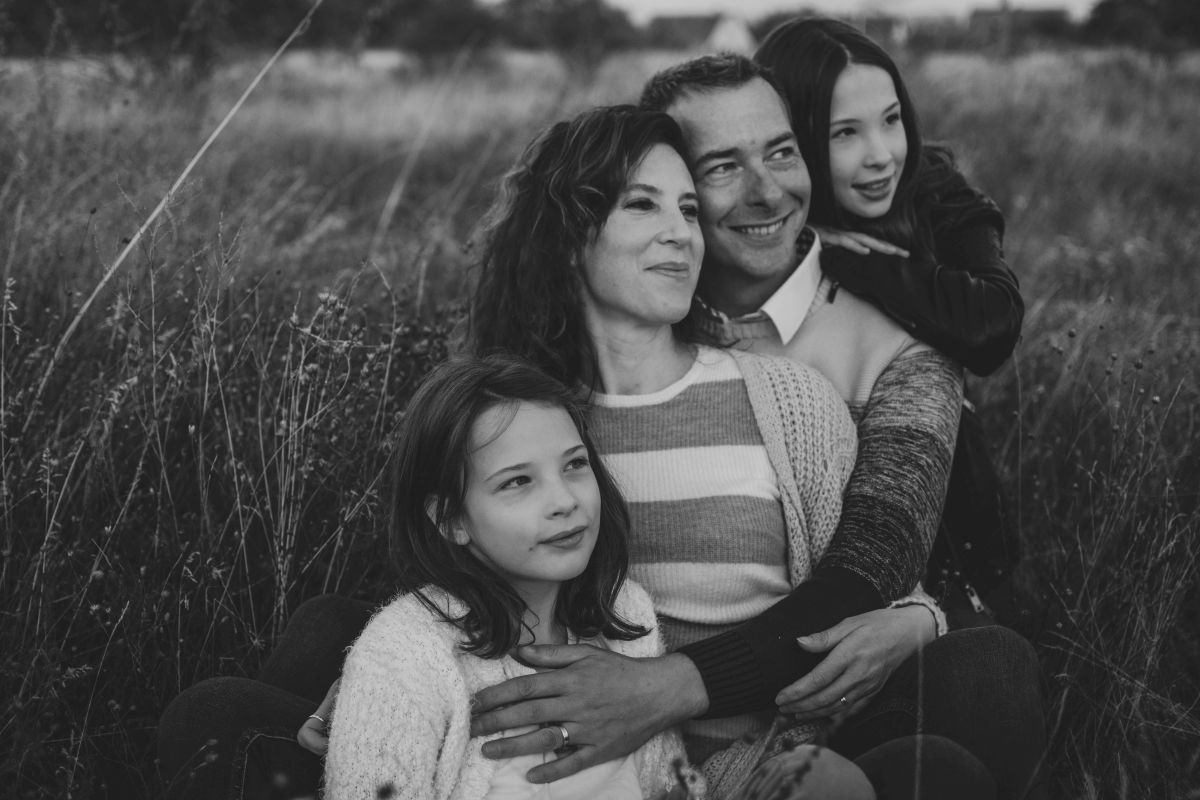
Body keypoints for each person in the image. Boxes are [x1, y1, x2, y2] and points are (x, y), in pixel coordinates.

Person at [471, 58, 1045, 800]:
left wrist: (921, 617)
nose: (767, 191)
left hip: (803, 703)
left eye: (781, 152)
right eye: (719, 168)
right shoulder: (552, 378)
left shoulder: (866, 359)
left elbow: (874, 558)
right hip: (617, 744)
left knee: (985, 678)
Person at [325, 354, 694, 799]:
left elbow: (672, 786)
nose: (565, 500)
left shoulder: (628, 613)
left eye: (575, 464)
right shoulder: (404, 656)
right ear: (451, 520)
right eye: (517, 481)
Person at [754, 16, 1025, 617]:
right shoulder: (757, 224)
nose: (881, 156)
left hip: (952, 514)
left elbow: (991, 323)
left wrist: (853, 260)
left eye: (891, 120)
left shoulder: (935, 191)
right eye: (845, 133)